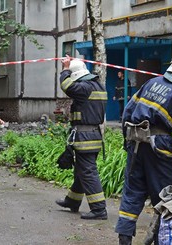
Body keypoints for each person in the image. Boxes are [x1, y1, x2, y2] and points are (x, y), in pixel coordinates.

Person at [115, 50, 172, 245]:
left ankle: (124, 239)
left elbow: (128, 111)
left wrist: (127, 142)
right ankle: (163, 240)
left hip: (136, 142)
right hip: (160, 147)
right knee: (168, 197)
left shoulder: (152, 82)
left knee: (132, 192)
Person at [55, 55, 108, 220]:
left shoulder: (84, 88)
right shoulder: (98, 86)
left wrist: (65, 69)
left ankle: (99, 209)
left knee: (88, 172)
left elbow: (66, 86)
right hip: (92, 135)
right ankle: (72, 201)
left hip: (85, 137)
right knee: (81, 170)